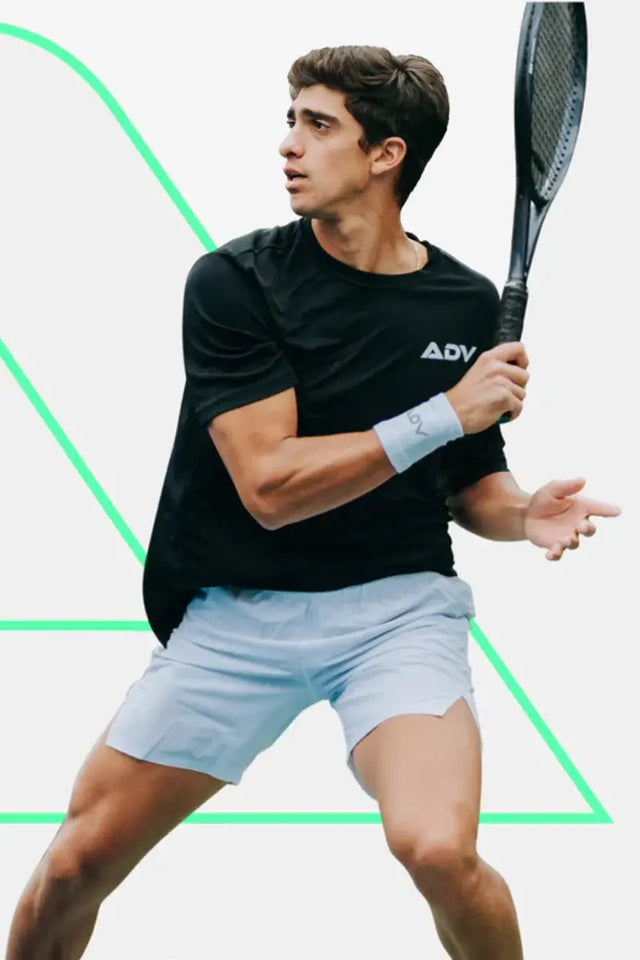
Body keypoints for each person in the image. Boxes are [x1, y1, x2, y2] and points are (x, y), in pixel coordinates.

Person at [6, 45, 620, 960]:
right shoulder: (236, 282)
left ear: (386, 155)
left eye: (318, 124)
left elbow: (467, 482)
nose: (288, 144)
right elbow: (270, 487)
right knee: (72, 868)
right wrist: (444, 412)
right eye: (291, 120)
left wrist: (522, 511)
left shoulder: (463, 304)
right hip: (236, 618)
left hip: (395, 616)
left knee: (439, 851)